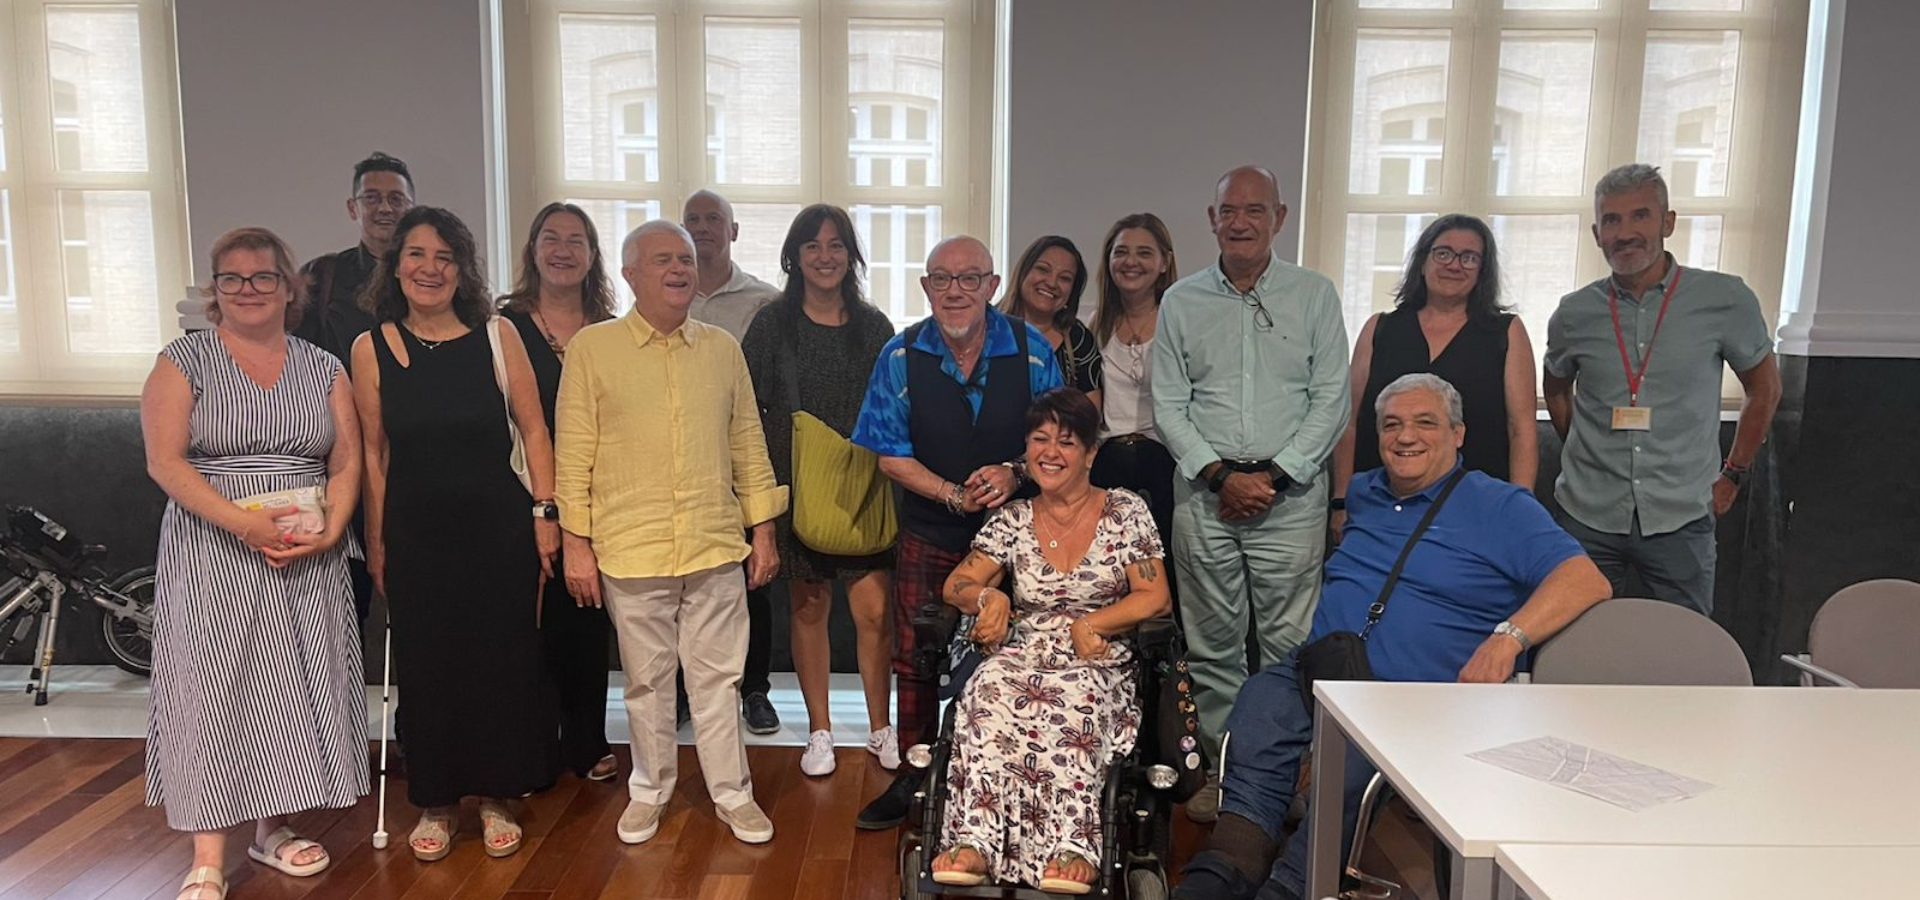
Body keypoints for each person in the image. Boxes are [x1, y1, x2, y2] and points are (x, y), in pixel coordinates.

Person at [1171, 374, 1612, 900]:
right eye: (1392, 425)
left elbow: (1586, 579)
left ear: (1458, 433)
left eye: (1425, 423)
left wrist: (1508, 638)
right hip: (1320, 669)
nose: (1406, 436)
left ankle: (1293, 887)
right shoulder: (1364, 491)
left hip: (1406, 697)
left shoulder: (1501, 506)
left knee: (1349, 763)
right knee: (1259, 705)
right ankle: (1228, 867)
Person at [141, 227, 366, 900]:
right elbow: (165, 461)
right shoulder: (184, 361)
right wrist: (242, 522)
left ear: (288, 287)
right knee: (212, 687)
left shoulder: (322, 366)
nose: (247, 289)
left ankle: (274, 828)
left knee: (292, 683)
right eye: (231, 278)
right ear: (215, 290)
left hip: (303, 547)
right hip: (213, 546)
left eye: (262, 276)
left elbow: (348, 459)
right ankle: (208, 855)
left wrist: (333, 530)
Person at [554, 221, 786, 846]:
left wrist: (763, 530)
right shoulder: (592, 349)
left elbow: (748, 445)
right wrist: (576, 542)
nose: (679, 269)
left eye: (685, 258)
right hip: (630, 549)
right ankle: (649, 792)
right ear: (630, 275)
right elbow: (573, 454)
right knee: (648, 684)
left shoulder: (720, 348)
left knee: (719, 681)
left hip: (714, 544)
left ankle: (733, 794)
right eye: (662, 260)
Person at [351, 207, 560, 861]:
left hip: (499, 529)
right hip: (417, 533)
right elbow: (375, 456)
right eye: (417, 254)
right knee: (428, 666)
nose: (430, 268)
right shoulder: (372, 347)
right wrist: (379, 543)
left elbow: (534, 430)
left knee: (501, 660)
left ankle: (500, 793)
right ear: (396, 265)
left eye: (444, 256)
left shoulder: (498, 335)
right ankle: (437, 802)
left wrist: (547, 519)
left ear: (461, 268)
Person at [1153, 165, 1350, 820]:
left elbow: (1331, 401)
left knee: (1288, 646)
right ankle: (1223, 773)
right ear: (1211, 220)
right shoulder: (1180, 301)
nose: (1240, 222)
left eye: (1254, 211)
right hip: (1205, 497)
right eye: (1228, 211)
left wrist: (1276, 476)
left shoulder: (1315, 295)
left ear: (1280, 217)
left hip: (1289, 501)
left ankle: (1282, 775)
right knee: (1210, 644)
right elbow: (1169, 405)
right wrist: (1219, 477)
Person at [849, 235, 1064, 830]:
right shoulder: (900, 354)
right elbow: (888, 454)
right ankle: (915, 775)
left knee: (1018, 655)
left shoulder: (1033, 350)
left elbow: (1057, 440)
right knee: (918, 656)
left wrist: (1015, 470)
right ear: (925, 288)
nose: (955, 291)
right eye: (942, 279)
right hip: (928, 529)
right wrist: (950, 493)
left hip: (1019, 537)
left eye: (970, 279)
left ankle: (1012, 777)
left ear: (993, 286)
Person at [925, 388, 1171, 895]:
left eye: (1066, 441)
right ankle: (975, 841)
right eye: (1040, 439)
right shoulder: (1012, 519)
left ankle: (1073, 847)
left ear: (1090, 454)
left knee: (1075, 703)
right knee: (986, 694)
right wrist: (991, 601)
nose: (1050, 452)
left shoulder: (1123, 512)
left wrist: (1095, 622)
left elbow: (1155, 597)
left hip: (1096, 657)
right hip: (1023, 650)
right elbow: (957, 585)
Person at [1543, 164, 1782, 615]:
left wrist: (1733, 473)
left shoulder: (1725, 299)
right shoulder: (1574, 314)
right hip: (1586, 515)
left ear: (1667, 222)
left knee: (1682, 654)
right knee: (1575, 649)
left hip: (1682, 514)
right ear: (1597, 233)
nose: (1625, 232)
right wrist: (1585, 448)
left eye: (1640, 216)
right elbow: (1556, 388)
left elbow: (1765, 388)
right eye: (1611, 220)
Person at [740, 204, 899, 777]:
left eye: (836, 245)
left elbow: (895, 407)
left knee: (875, 612)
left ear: (851, 255)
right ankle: (821, 732)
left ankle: (882, 727)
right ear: (794, 256)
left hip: (862, 483)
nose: (825, 256)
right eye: (813, 246)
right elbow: (745, 413)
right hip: (795, 484)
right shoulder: (770, 325)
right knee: (808, 609)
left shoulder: (876, 327)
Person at [498, 202, 619, 784]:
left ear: (593, 256)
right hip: (520, 489)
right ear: (533, 250)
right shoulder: (502, 325)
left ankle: (585, 740)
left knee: (584, 618)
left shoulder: (612, 329)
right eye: (551, 238)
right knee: (524, 622)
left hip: (595, 493)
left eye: (576, 240)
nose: (563, 250)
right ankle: (527, 742)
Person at [1333, 214, 1538, 547]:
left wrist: (1521, 508)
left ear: (1483, 270)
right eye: (1443, 253)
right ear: (1423, 259)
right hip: (1383, 501)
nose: (1454, 265)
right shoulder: (1379, 328)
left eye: (1469, 257)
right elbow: (1350, 422)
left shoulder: (1506, 332)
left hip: (1474, 506)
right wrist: (1341, 500)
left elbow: (1522, 428)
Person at [293, 150, 413, 630]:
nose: (384, 208)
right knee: (345, 595)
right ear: (352, 207)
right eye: (372, 198)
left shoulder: (432, 276)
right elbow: (297, 363)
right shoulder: (321, 278)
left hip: (412, 453)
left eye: (396, 199)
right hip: (340, 457)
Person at [684, 188, 785, 734]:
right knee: (682, 582)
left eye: (713, 220)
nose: (703, 228)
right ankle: (683, 692)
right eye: (692, 220)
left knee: (755, 579)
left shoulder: (763, 302)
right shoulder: (663, 297)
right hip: (682, 463)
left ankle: (756, 690)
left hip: (744, 456)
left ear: (735, 230)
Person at [1088, 213, 1180, 555]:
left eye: (1144, 253)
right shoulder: (1098, 323)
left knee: (1164, 570)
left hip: (1166, 463)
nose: (1131, 262)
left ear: (1163, 263)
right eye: (1121, 252)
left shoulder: (1179, 319)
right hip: (1108, 464)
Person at [998, 235, 1102, 409]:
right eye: (1043, 269)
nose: (1052, 283)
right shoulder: (987, 328)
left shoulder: (1078, 339)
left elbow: (1089, 417)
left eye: (1065, 278)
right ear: (1023, 272)